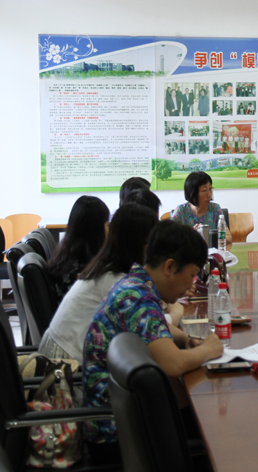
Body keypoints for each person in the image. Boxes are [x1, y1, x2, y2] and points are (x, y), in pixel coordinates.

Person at [82, 221, 223, 463]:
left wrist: (186, 339)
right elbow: (174, 364)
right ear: (170, 266)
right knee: (214, 429)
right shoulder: (137, 298)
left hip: (121, 420)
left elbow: (154, 328)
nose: (192, 284)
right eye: (191, 275)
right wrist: (209, 349)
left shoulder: (135, 285)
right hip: (115, 435)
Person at [39, 204, 158, 362]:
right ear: (138, 244)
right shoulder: (114, 279)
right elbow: (149, 329)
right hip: (66, 367)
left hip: (62, 356)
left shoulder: (104, 267)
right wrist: (176, 313)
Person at [45, 196, 110, 302]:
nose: (109, 231)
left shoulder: (66, 257)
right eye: (107, 225)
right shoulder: (84, 270)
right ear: (96, 231)